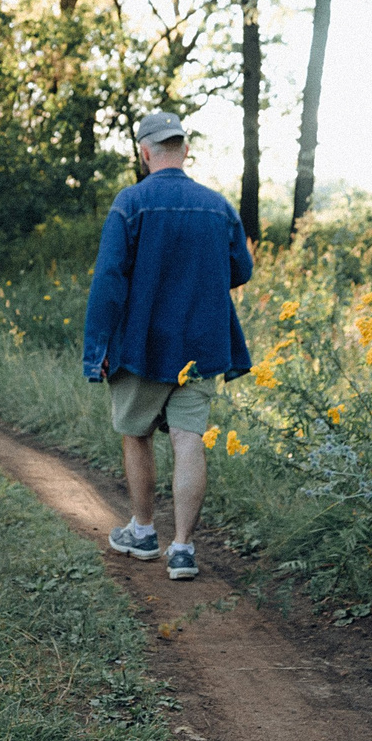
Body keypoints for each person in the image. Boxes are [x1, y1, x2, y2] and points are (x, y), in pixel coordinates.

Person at [80, 110, 253, 581]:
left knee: (136, 433)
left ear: (144, 152)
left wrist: (96, 350)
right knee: (188, 439)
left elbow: (109, 280)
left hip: (141, 346)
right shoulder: (218, 206)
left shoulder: (130, 203)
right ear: (186, 148)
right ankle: (182, 549)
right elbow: (242, 270)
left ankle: (142, 530)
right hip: (201, 346)